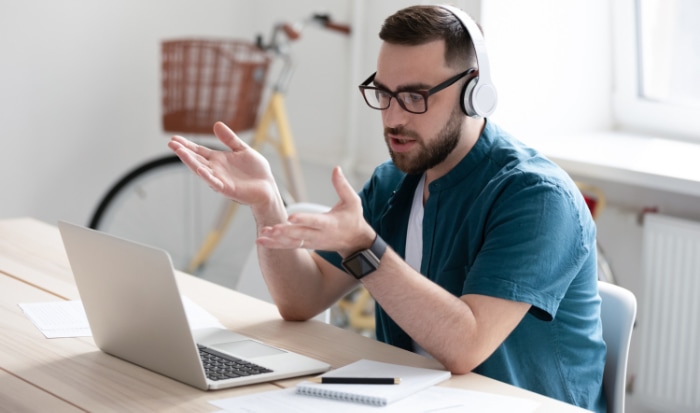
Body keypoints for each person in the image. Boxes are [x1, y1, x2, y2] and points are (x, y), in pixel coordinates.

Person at [168, 5, 606, 412]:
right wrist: (267, 203)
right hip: (411, 397)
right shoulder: (395, 181)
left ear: (475, 93)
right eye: (384, 93)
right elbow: (302, 300)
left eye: (415, 97)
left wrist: (364, 246)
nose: (393, 117)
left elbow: (465, 347)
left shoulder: (536, 197)